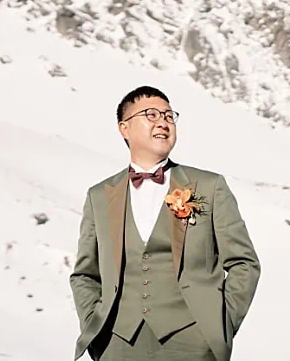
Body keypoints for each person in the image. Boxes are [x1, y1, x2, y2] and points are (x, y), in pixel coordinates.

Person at [70, 86, 259, 361]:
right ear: (124, 128)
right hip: (116, 344)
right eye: (151, 115)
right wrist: (93, 324)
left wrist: (221, 326)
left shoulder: (209, 186)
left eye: (169, 116)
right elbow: (85, 274)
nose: (163, 122)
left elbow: (245, 263)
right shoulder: (99, 196)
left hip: (194, 345)